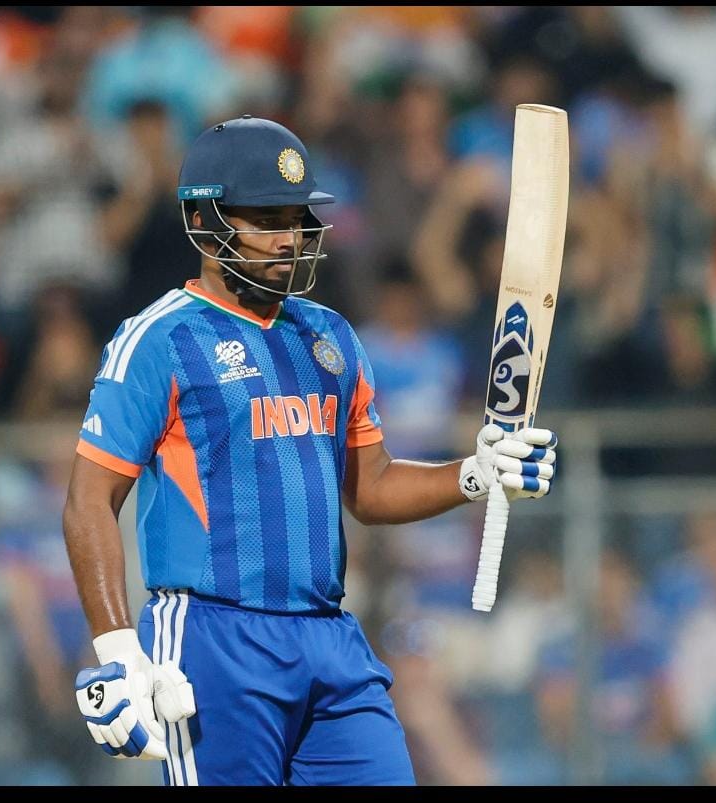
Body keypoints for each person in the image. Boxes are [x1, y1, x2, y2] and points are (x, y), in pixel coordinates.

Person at [61, 115, 560, 786]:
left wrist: (473, 473)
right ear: (203, 221)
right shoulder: (157, 339)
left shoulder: (329, 336)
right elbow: (88, 499)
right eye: (267, 218)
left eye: (296, 218)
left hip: (330, 636)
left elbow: (371, 486)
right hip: (213, 639)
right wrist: (119, 650)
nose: (288, 237)